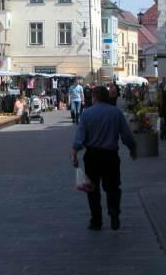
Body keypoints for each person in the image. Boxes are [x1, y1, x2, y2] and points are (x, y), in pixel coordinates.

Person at [71, 86, 137, 231]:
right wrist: (132, 148)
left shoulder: (87, 114)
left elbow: (80, 136)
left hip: (92, 156)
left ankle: (96, 221)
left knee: (92, 189)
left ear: (94, 97)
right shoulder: (116, 113)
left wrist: (74, 152)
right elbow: (126, 135)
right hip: (111, 156)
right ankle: (113, 210)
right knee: (113, 187)